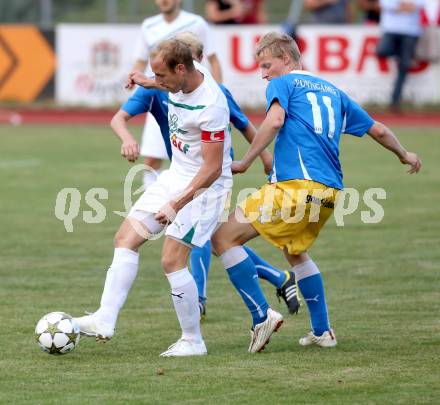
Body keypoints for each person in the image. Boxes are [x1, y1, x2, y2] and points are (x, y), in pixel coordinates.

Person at [211, 32, 421, 349]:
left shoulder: (283, 83)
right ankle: (323, 332)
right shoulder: (334, 92)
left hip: (296, 187)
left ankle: (261, 317)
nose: (263, 73)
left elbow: (274, 120)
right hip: (329, 193)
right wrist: (405, 154)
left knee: (221, 238)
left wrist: (246, 160)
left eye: (267, 65)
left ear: (286, 58)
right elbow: (377, 129)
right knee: (294, 251)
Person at [115, 32, 301, 320]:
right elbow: (121, 116)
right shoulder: (161, 85)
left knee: (199, 240)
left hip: (211, 175)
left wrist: (265, 159)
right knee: (217, 239)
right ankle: (278, 279)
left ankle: (199, 297)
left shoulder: (213, 95)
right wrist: (145, 83)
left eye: (196, 58)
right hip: (181, 174)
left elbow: (244, 124)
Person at [74, 39, 232, 357]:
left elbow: (213, 168)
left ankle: (193, 341)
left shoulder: (211, 105)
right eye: (154, 76)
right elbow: (165, 83)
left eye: (161, 77)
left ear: (182, 69)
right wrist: (149, 82)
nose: (157, 83)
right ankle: (104, 319)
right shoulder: (182, 76)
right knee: (125, 238)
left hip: (206, 188)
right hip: (175, 175)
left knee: (171, 260)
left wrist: (176, 203)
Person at [132, 0, 222, 188]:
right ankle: (153, 204)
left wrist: (219, 91)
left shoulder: (196, 23)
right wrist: (133, 89)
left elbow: (213, 59)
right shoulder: (148, 25)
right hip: (160, 96)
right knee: (151, 161)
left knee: (196, 160)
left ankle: (189, 202)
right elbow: (140, 61)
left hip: (192, 100)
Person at [376, 0, 426, 111]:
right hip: (391, 28)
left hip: (411, 31)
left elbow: (422, 4)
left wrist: (400, 6)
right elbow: (384, 4)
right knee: (382, 51)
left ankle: (395, 101)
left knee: (404, 67)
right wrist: (405, 6)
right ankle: (399, 54)